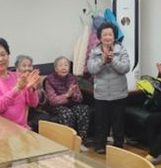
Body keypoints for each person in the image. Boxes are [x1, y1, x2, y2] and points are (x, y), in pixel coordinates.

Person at [87, 22, 130, 155]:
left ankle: (118, 145)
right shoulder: (94, 52)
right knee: (101, 122)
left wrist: (112, 61)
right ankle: (100, 145)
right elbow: (91, 69)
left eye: (110, 34)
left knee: (118, 122)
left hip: (119, 93)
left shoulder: (121, 50)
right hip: (101, 94)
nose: (107, 37)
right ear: (100, 37)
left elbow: (125, 68)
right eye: (104, 34)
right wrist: (102, 61)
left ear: (114, 36)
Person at [0, 37, 40, 128]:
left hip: (21, 129)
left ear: (8, 56)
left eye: (3, 54)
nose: (1, 59)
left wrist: (31, 89)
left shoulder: (17, 76)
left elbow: (33, 103)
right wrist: (17, 89)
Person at [44, 56, 92, 149]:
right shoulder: (49, 80)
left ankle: (80, 141)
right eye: (60, 65)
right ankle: (68, 143)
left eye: (66, 65)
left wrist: (73, 95)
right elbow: (52, 100)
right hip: (56, 106)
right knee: (67, 113)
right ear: (55, 68)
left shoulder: (72, 78)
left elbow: (79, 98)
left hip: (71, 104)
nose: (63, 68)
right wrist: (67, 95)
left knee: (84, 109)